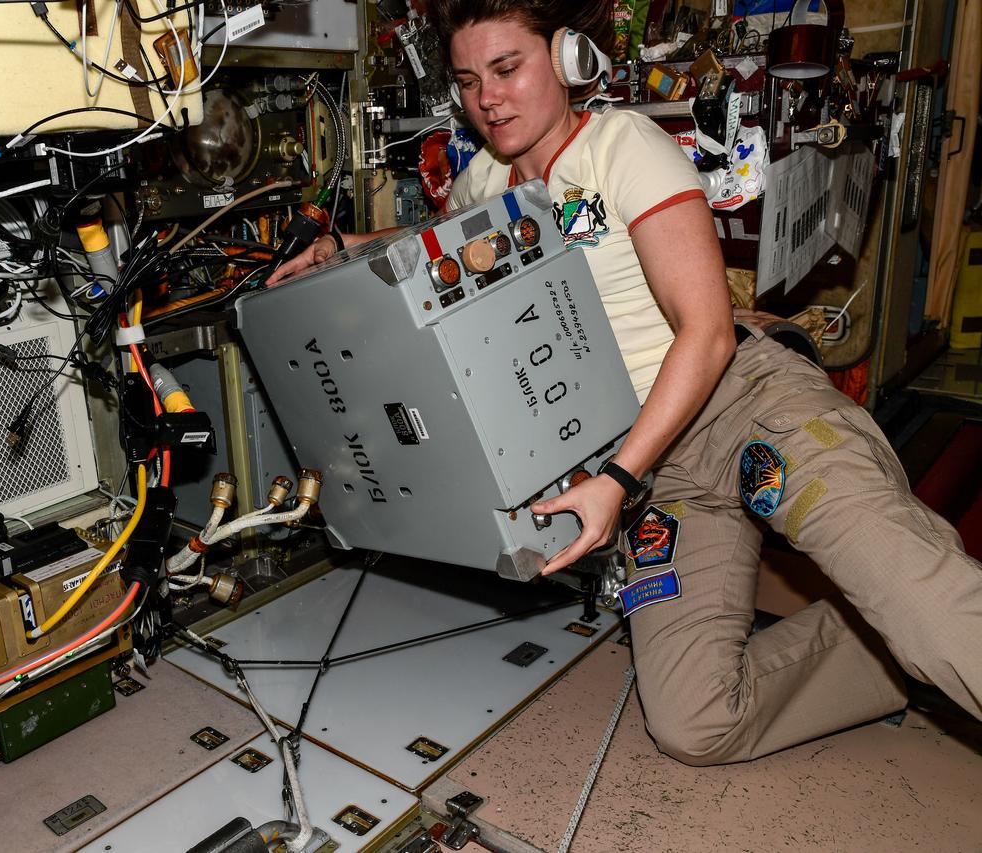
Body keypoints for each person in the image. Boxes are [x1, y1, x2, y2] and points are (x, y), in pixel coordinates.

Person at [267, 0, 982, 765]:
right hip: (658, 474)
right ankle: (893, 644)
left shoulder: (622, 146)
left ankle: (917, 618)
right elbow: (422, 244)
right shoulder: (483, 182)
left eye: (508, 70)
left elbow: (706, 332)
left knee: (922, 601)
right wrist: (339, 248)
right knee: (695, 721)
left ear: (568, 59)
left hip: (742, 407)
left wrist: (615, 477)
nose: (489, 99)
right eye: (472, 81)